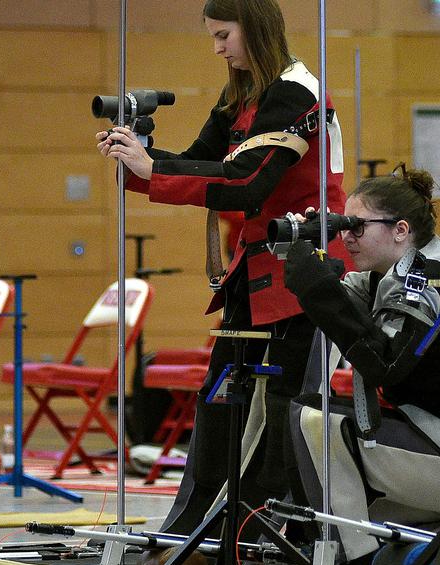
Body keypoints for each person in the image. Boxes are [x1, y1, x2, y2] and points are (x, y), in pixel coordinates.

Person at [96, 0, 350, 537]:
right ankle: (191, 533)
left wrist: (155, 169)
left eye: (223, 35)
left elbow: (247, 182)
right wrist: (136, 157)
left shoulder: (296, 90)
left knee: (283, 417)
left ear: (254, 28)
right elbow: (198, 158)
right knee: (217, 408)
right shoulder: (243, 88)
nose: (218, 49)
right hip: (254, 276)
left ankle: (262, 536)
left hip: (306, 276)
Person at [282, 167, 440, 565]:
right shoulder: (394, 275)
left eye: (357, 226)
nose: (346, 236)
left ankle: (353, 561)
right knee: (343, 502)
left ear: (400, 230)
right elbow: (343, 311)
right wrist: (309, 250)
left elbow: (385, 363)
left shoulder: (428, 281)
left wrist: (319, 289)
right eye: (343, 225)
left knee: (317, 420)